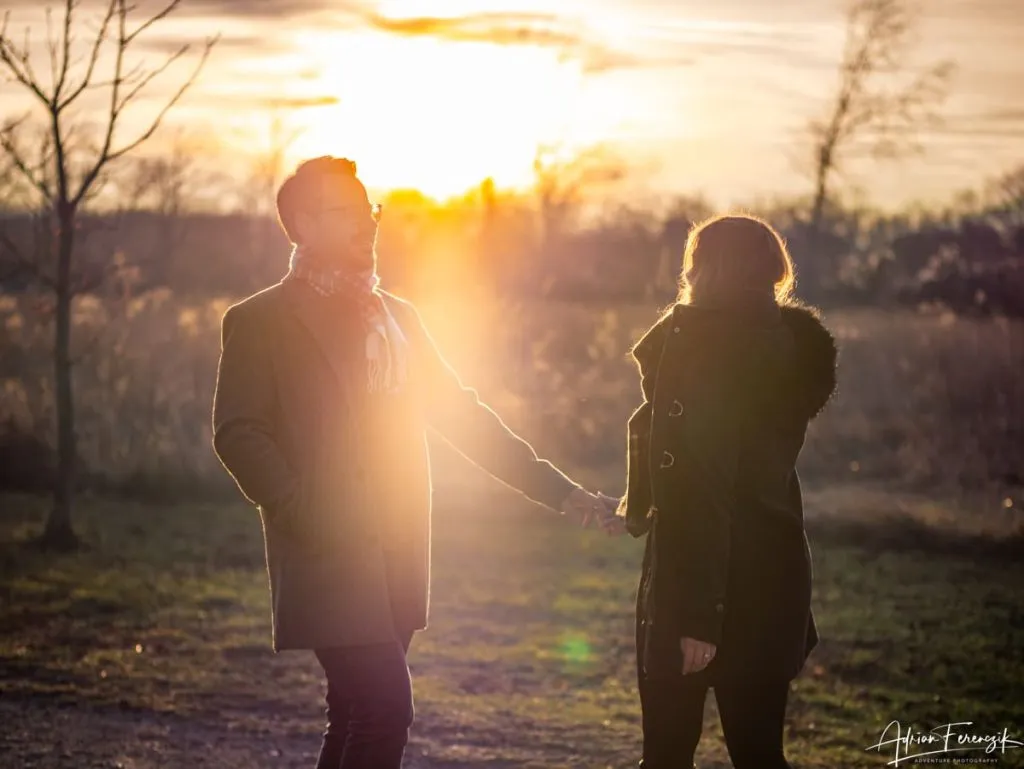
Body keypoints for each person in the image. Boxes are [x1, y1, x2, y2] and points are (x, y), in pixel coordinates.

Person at [211, 155, 622, 769]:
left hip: (398, 549)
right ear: (300, 224)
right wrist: (303, 512)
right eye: (345, 212)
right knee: (386, 710)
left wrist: (563, 493)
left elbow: (465, 417)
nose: (366, 224)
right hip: (326, 547)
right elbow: (238, 432)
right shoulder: (261, 320)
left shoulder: (399, 316)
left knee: (353, 713)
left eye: (367, 209)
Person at [615, 213, 838, 768]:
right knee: (760, 755)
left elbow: (707, 487)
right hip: (774, 580)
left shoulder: (703, 352)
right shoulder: (785, 346)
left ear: (701, 268)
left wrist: (698, 617)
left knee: (666, 757)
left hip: (701, 587)